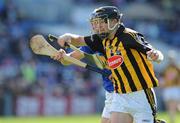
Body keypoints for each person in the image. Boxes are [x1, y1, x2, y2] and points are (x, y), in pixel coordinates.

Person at [52, 6, 165, 123]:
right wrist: (67, 37)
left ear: (115, 21)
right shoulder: (101, 40)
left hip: (141, 94)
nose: (98, 27)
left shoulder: (129, 36)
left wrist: (156, 56)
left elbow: (155, 52)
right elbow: (79, 40)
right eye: (95, 23)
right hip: (119, 95)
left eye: (102, 22)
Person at [56, 46, 114, 123]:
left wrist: (120, 74)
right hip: (111, 92)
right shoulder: (93, 41)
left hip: (127, 91)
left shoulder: (125, 38)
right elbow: (67, 60)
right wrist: (63, 56)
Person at [159, 50, 180, 123]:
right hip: (167, 89)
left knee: (173, 106)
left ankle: (172, 120)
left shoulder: (177, 68)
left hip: (175, 88)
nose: (171, 60)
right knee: (169, 106)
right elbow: (162, 78)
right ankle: (172, 119)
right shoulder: (165, 68)